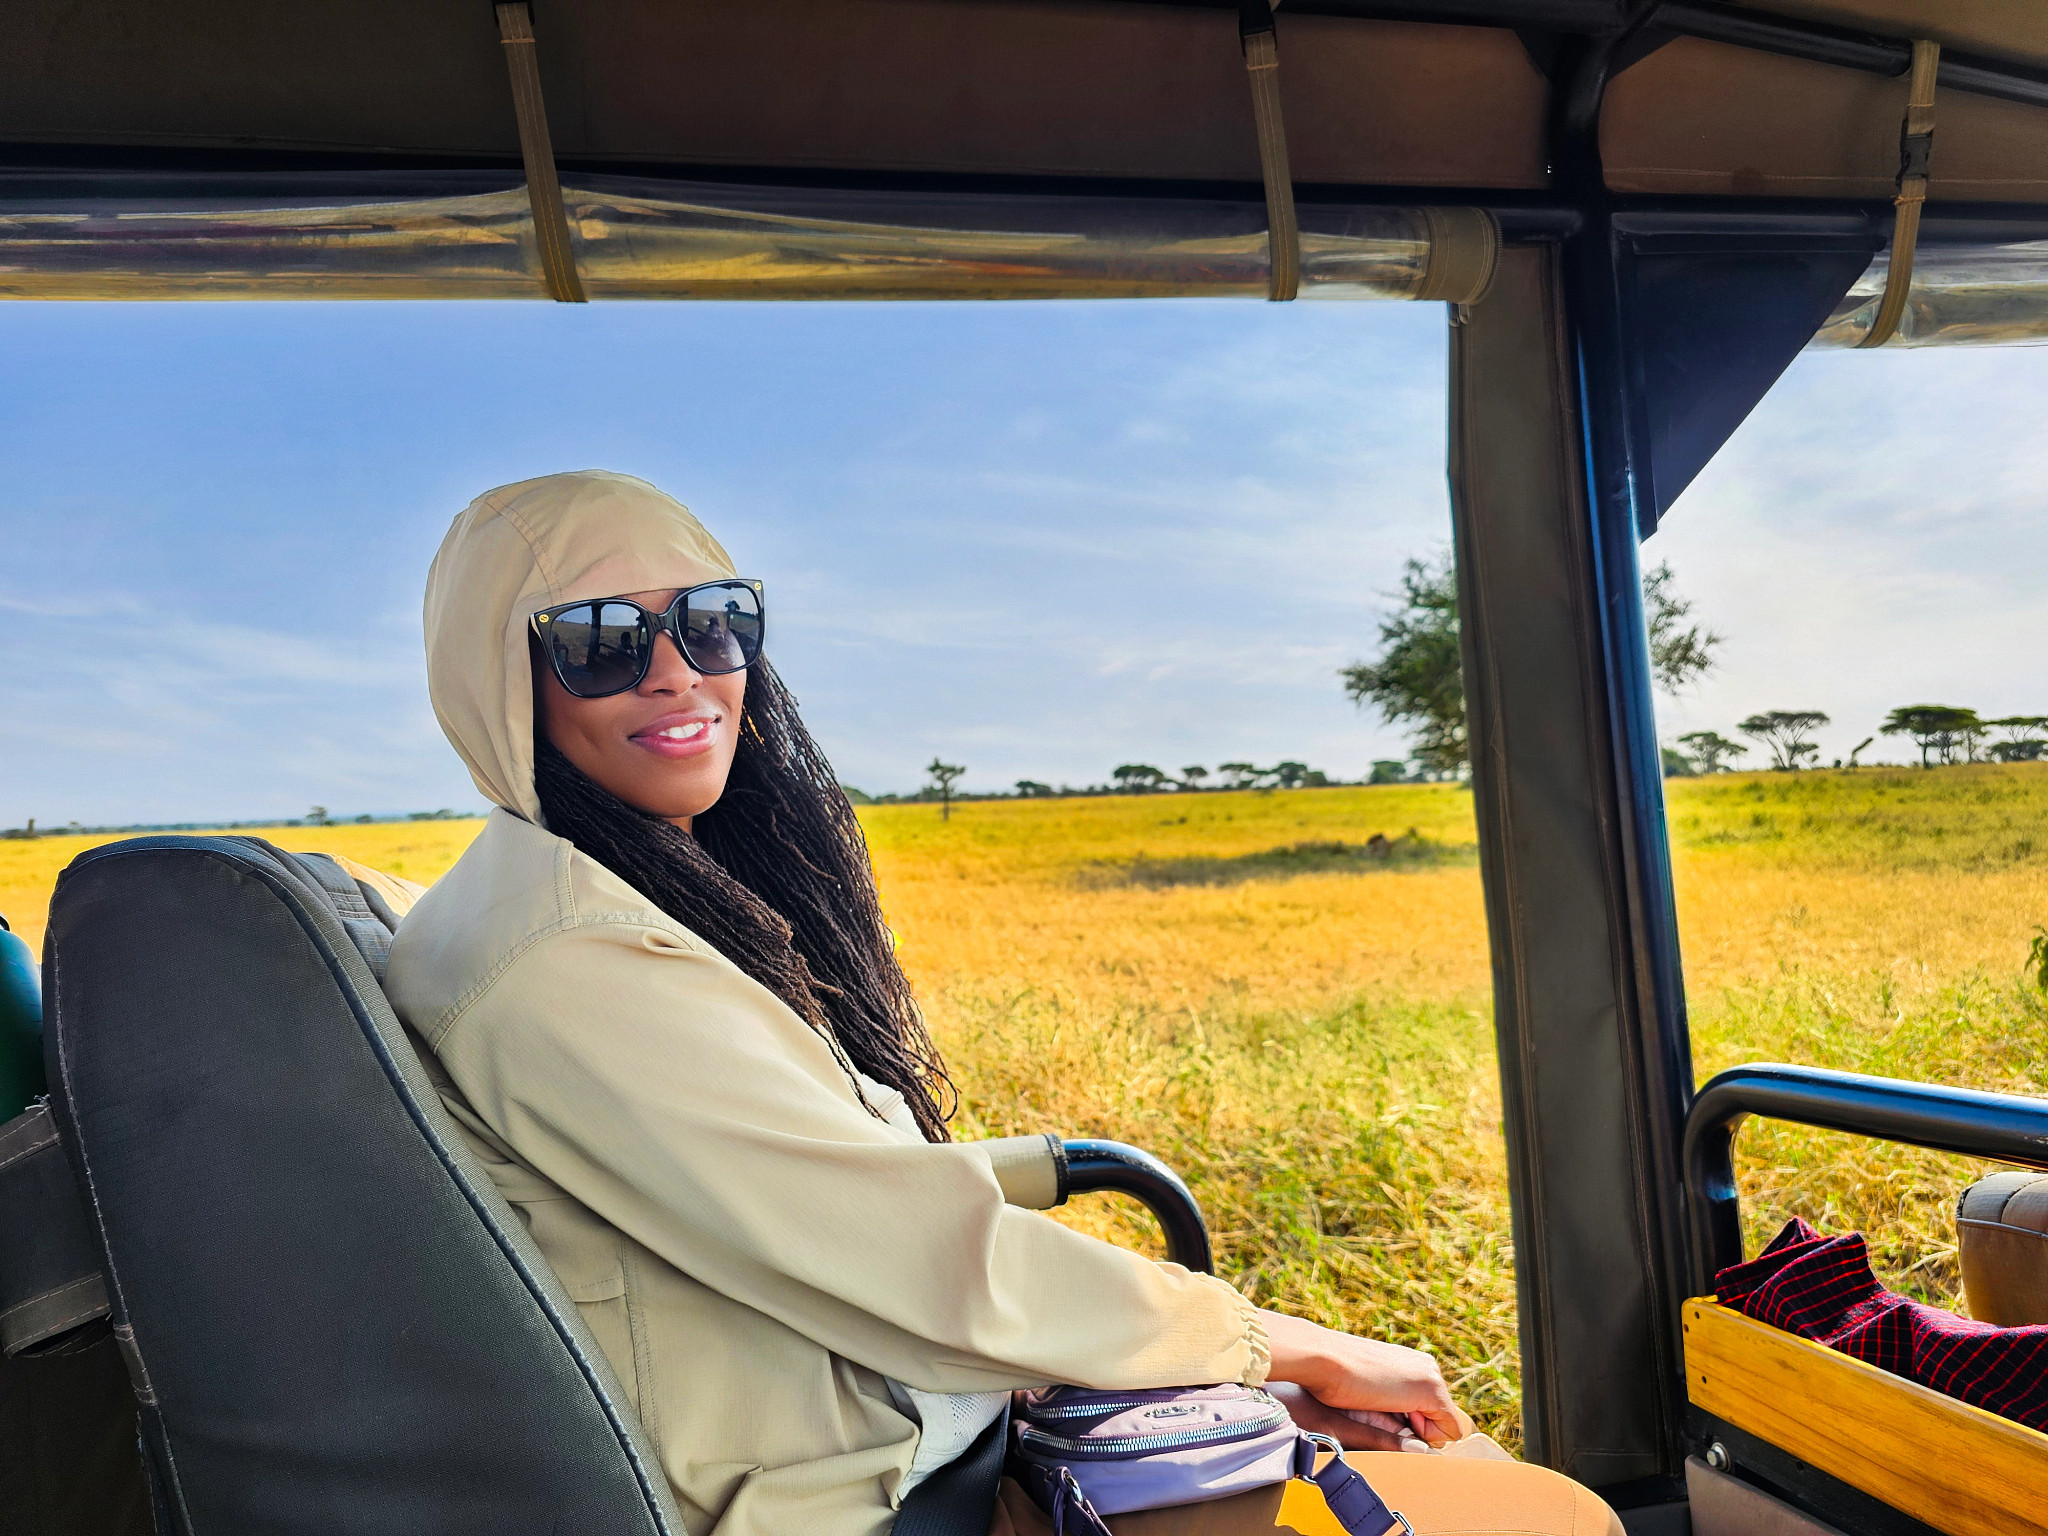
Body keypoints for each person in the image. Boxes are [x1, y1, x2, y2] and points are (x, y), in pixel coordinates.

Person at [385, 471, 1622, 1536]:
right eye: (599, 640)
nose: (676, 672)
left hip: (907, 1422)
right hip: (867, 1492)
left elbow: (816, 1195)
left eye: (713, 622)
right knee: (1549, 1511)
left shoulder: (572, 900)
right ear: (498, 682)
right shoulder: (568, 961)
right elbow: (918, 1259)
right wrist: (1273, 1345)